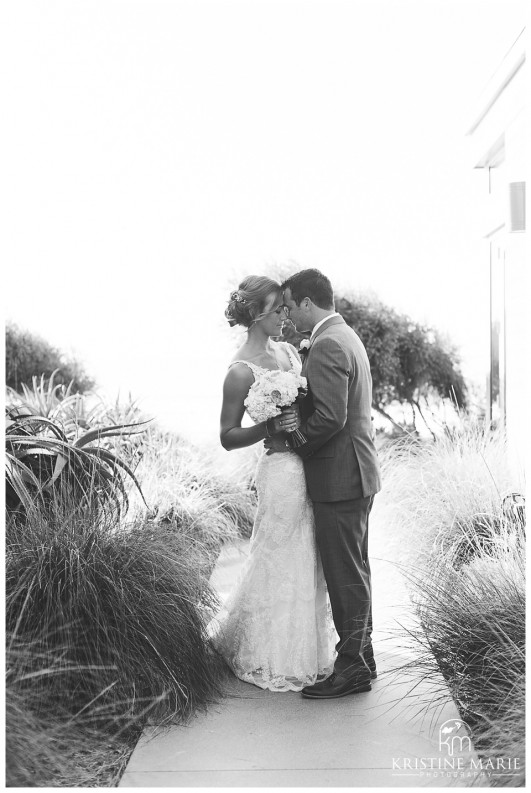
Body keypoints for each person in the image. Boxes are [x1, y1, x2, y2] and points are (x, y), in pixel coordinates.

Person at [210, 275, 335, 692]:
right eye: (278, 310)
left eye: (286, 307)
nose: (286, 315)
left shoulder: (288, 352)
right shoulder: (239, 373)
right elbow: (227, 437)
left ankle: (309, 648)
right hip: (281, 470)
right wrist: (268, 426)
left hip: (310, 465)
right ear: (257, 315)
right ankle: (269, 653)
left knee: (309, 555)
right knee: (279, 555)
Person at [265, 268, 381, 699]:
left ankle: (351, 669)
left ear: (308, 303)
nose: (290, 315)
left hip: (340, 476)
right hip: (355, 472)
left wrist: (296, 439)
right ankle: (362, 659)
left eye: (292, 305)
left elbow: (331, 417)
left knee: (344, 575)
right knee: (356, 571)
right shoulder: (344, 335)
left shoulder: (329, 343)